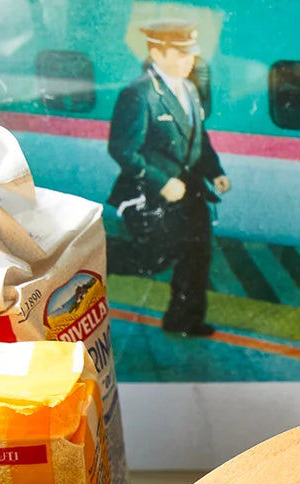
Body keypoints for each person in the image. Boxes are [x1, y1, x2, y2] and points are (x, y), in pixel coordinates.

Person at [107, 19, 231, 337]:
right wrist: (161, 181)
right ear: (157, 54)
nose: (189, 61)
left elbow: (199, 139)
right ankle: (94, 258)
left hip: (190, 191)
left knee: (197, 254)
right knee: (152, 259)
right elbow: (122, 149)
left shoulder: (188, 88)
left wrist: (215, 171)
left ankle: (184, 321)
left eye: (190, 55)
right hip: (154, 192)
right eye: (180, 54)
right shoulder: (139, 94)